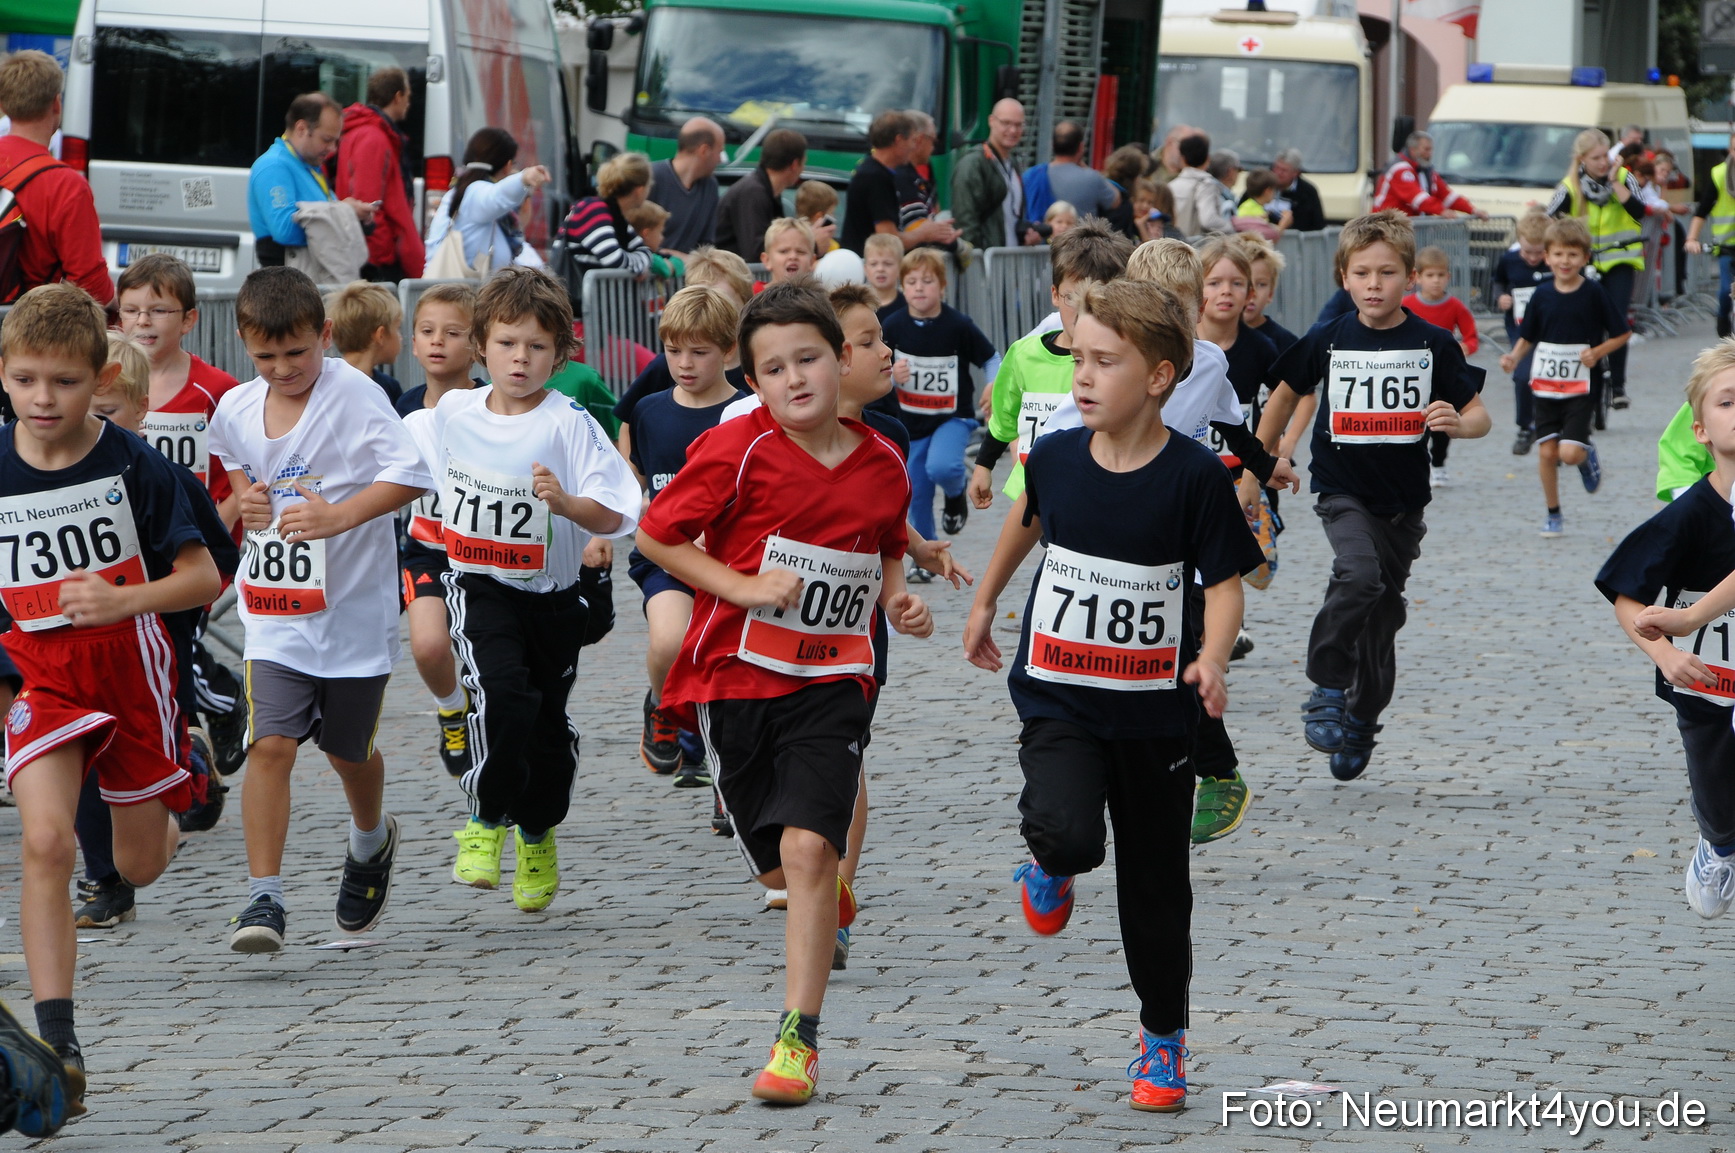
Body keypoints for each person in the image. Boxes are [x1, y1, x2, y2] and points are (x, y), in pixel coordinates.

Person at [962, 277, 1263, 1114]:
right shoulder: (1055, 455)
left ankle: (1162, 1041)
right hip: (1059, 691)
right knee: (1065, 831)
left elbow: (1227, 581)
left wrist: (1209, 658)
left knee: (1156, 888)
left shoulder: (1194, 475)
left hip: (1153, 713)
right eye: (1075, 360)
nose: (1082, 378)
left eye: (1103, 362)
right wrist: (987, 599)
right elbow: (1027, 519)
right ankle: (1050, 866)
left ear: (1160, 375)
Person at [635, 281, 932, 1105]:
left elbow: (882, 543)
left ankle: (796, 1039)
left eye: (808, 358)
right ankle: (818, 877)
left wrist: (897, 597)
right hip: (735, 679)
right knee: (777, 856)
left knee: (807, 848)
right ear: (754, 382)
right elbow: (657, 532)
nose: (795, 379)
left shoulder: (882, 460)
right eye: (773, 368)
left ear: (841, 359)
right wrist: (737, 586)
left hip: (833, 676)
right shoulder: (739, 450)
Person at [0, 283, 224, 1112]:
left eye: (61, 381)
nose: (42, 399)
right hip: (44, 676)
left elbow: (205, 573)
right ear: (2, 376)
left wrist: (123, 598)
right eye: (24, 380)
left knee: (139, 864)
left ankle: (182, 765)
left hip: (132, 670)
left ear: (99, 379)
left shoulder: (137, 466)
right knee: (48, 842)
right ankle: (56, 1034)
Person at [209, 266, 434, 954]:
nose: (284, 369)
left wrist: (339, 517)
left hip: (353, 613)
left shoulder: (356, 395)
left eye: (298, 353)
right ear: (246, 346)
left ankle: (369, 837)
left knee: (346, 749)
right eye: (267, 357)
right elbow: (236, 459)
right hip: (275, 612)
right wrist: (247, 498)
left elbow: (408, 474)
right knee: (269, 744)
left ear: (325, 336)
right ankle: (264, 895)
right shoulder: (237, 407)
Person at [1243, 211, 1489, 781]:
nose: (1374, 284)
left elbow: (1480, 417)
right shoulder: (1328, 338)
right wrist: (1259, 463)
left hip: (1403, 505)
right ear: (1344, 279)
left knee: (1381, 621)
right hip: (1342, 491)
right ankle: (1327, 685)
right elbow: (1283, 397)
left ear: (1409, 278)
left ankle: (1362, 719)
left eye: (1387, 272)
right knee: (1358, 575)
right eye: (1362, 273)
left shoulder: (1432, 343)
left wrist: (1457, 422)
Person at [436, 268, 639, 910]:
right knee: (502, 696)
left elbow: (616, 512)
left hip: (553, 599)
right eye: (507, 343)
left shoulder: (568, 422)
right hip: (480, 585)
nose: (520, 359)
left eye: (537, 347)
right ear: (481, 345)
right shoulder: (452, 411)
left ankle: (536, 831)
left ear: (560, 354)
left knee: (547, 727)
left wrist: (569, 504)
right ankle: (486, 818)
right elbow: (400, 469)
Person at [72, 332, 240, 932]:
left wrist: (147, 610)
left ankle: (186, 763)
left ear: (142, 410)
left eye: (106, 411)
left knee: (137, 790)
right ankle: (102, 880)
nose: (87, 422)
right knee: (78, 768)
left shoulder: (158, 475)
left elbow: (210, 568)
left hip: (153, 653)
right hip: (65, 658)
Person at [1598, 343, 1735, 920]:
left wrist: (1688, 618)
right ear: (1701, 430)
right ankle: (1719, 846)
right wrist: (1664, 653)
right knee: (1718, 797)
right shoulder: (1687, 516)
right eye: (1729, 402)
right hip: (1709, 685)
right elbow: (1627, 598)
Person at [626, 287, 749, 786]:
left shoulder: (746, 411)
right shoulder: (650, 410)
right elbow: (635, 474)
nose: (684, 363)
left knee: (732, 673)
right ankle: (661, 705)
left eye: (699, 352)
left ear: (729, 351)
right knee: (671, 642)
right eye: (674, 350)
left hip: (732, 564)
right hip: (666, 560)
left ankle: (730, 782)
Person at [970, 219, 1135, 507]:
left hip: (1092, 491)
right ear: (1055, 295)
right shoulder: (1024, 354)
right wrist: (984, 466)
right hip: (1033, 490)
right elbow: (1005, 417)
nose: (1085, 308)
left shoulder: (1124, 360)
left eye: (1098, 296)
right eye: (1073, 297)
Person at [394, 282, 481, 778]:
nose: (437, 342)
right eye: (426, 331)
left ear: (477, 345)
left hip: (489, 552)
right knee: (428, 645)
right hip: (427, 549)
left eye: (452, 333)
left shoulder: (492, 404)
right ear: (412, 341)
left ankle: (491, 723)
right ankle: (452, 709)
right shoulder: (403, 408)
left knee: (488, 659)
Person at [1498, 217, 1628, 538]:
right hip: (1545, 384)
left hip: (1583, 385)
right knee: (1546, 452)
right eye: (1558, 254)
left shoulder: (1594, 293)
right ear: (1547, 256)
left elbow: (1622, 333)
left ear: (1585, 258)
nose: (1565, 261)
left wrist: (1597, 353)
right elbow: (1527, 335)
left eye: (1572, 255)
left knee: (1568, 454)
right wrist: (1514, 357)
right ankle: (1553, 513)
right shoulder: (1542, 295)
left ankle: (1585, 454)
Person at [876, 248, 996, 546]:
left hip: (953, 417)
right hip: (911, 422)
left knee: (942, 466)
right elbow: (876, 370)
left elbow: (992, 359)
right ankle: (926, 552)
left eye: (927, 281)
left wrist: (993, 387)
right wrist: (892, 377)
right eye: (912, 281)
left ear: (942, 287)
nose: (919, 287)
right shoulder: (892, 326)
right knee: (916, 489)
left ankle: (956, 494)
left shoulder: (958, 325)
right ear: (902, 287)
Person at [1543, 129, 1643, 411]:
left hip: (1620, 260)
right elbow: (1549, 221)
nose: (1602, 163)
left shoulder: (1624, 177)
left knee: (1617, 322)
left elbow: (1639, 211)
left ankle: (1619, 387)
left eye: (1605, 157)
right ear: (1582, 159)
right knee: (1586, 323)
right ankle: (1587, 381)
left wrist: (1615, 183)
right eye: (1596, 158)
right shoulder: (1569, 186)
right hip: (1582, 264)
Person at [0, 51, 111, 303]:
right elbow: (90, 287)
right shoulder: (65, 185)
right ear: (56, 104)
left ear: (3, 106)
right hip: (23, 330)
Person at [248, 93, 376, 269]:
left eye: (336, 141)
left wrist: (355, 217)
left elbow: (323, 217)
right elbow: (285, 231)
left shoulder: (308, 167)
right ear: (301, 129)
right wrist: (343, 212)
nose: (332, 149)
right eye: (326, 140)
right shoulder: (274, 166)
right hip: (290, 285)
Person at [336, 67, 424, 282]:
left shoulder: (364, 131)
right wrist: (384, 256)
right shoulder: (374, 136)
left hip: (366, 249)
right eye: (408, 97)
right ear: (398, 96)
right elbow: (369, 203)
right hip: (375, 257)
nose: (409, 104)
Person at [1402, 247, 1479, 489]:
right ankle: (1418, 465)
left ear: (1448, 277)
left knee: (1442, 424)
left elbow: (1472, 336)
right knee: (1417, 423)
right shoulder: (1407, 304)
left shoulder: (1455, 306)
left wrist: (1465, 347)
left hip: (1444, 376)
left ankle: (1439, 463)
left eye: (1440, 275)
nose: (1435, 281)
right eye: (1430, 275)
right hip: (1413, 375)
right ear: (1417, 278)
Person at [425, 128, 551, 276]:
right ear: (508, 166)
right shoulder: (474, 193)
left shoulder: (465, 191)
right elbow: (496, 196)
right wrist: (523, 178)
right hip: (457, 295)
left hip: (454, 293)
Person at [842, 111, 958, 255]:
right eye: (911, 140)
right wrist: (923, 233)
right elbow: (889, 240)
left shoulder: (875, 171)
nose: (913, 147)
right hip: (865, 267)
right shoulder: (876, 177)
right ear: (899, 140)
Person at [1490, 211, 1553, 455]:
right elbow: (1499, 282)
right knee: (1521, 376)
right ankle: (1525, 426)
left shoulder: (1556, 262)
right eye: (1527, 251)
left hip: (1552, 329)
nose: (1533, 258)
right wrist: (1501, 298)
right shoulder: (1510, 260)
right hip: (1521, 329)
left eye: (1539, 252)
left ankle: (1552, 431)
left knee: (1549, 378)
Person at [952, 98, 1037, 250]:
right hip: (986, 264)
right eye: (1006, 123)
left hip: (1009, 263)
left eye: (1018, 125)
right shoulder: (973, 163)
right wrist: (976, 262)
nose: (1013, 130)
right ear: (991, 121)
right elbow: (965, 221)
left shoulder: (1013, 163)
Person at [558, 152, 655, 283]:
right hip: (576, 300)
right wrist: (638, 266)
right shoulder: (593, 210)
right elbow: (614, 259)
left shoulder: (616, 216)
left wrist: (636, 264)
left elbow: (645, 252)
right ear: (640, 190)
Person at [715, 129, 808, 261]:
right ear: (794, 164)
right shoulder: (753, 193)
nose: (802, 169)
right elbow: (755, 251)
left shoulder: (768, 191)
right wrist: (807, 243)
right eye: (803, 163)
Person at [647, 117, 725, 257]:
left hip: (689, 277)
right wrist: (676, 258)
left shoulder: (710, 187)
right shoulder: (650, 178)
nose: (720, 160)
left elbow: (707, 246)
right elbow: (632, 239)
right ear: (704, 150)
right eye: (719, 152)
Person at [1685, 133, 1735, 338]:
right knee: (1725, 292)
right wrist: (1691, 239)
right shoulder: (1719, 174)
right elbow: (1702, 211)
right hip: (1727, 248)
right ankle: (1723, 324)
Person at [1024, 121, 1119, 225]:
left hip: (1041, 240)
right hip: (1081, 240)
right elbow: (1116, 201)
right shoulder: (1092, 178)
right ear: (1081, 147)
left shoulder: (1031, 175)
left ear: (1052, 145)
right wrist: (1086, 167)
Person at [1372, 131, 1481, 219]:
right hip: (1387, 225)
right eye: (1426, 149)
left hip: (1407, 228)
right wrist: (1441, 210)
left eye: (1431, 149)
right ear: (1413, 149)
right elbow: (1416, 198)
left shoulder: (1427, 171)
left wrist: (1472, 210)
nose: (1430, 154)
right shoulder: (1400, 169)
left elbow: (1447, 196)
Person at [327, 281, 404, 404]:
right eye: (397, 328)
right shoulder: (387, 388)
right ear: (381, 335)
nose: (400, 338)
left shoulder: (326, 382)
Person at [1236, 234, 1298, 356]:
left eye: (1261, 284)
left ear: (1271, 292)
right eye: (1240, 283)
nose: (1252, 292)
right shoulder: (1203, 341)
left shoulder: (1287, 344)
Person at [1168, 133, 1225, 237]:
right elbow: (1208, 220)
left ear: (1182, 158)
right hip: (1196, 247)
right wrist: (1232, 229)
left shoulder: (1171, 185)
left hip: (1170, 244)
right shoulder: (1206, 184)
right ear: (1207, 158)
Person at [1270, 149, 1327, 232]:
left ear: (1295, 173)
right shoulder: (1261, 183)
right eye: (1277, 168)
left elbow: (1317, 225)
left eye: (1284, 170)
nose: (1278, 173)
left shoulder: (1307, 192)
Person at [626, 201, 684, 279]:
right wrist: (666, 268)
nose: (662, 238)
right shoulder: (638, 255)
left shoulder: (655, 253)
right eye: (660, 232)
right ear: (646, 234)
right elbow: (661, 267)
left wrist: (670, 267)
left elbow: (680, 263)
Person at [1233, 169, 1291, 241]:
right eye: (1274, 190)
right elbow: (1265, 238)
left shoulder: (1253, 206)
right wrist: (1283, 224)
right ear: (1268, 191)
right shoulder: (1250, 208)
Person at [761, 217, 817, 286]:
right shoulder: (752, 295)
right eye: (784, 251)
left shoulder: (819, 296)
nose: (793, 256)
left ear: (812, 262)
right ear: (767, 260)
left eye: (800, 252)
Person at [863, 233, 906, 317]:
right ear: (866, 269)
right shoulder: (858, 305)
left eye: (888, 264)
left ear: (900, 268)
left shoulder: (908, 305)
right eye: (873, 264)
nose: (880, 269)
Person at [795, 181, 839, 254]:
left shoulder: (788, 237)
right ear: (819, 217)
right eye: (832, 213)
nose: (834, 217)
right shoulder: (829, 245)